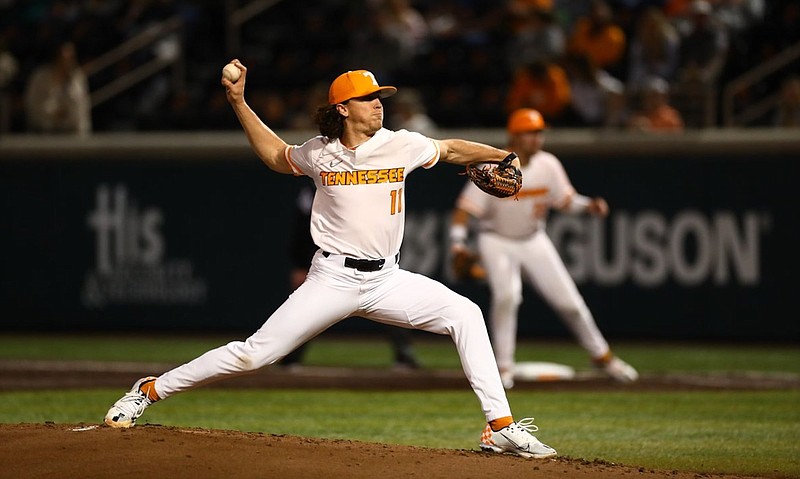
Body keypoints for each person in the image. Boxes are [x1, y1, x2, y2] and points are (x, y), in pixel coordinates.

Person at [104, 64, 558, 459]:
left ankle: (499, 428)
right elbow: (274, 156)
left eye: (380, 97)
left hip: (387, 279)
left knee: (466, 313)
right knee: (254, 354)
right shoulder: (320, 152)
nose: (379, 105)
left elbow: (453, 149)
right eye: (368, 99)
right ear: (343, 108)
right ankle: (148, 390)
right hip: (332, 278)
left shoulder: (401, 145)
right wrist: (239, 101)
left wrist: (503, 155)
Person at [450, 108, 639, 389]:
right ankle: (502, 368)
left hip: (533, 239)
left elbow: (565, 200)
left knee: (570, 303)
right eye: (531, 132)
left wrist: (588, 205)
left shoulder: (548, 164)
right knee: (507, 297)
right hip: (496, 239)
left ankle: (602, 356)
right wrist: (457, 244)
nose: (537, 138)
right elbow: (465, 210)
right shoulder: (493, 164)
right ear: (514, 135)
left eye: (539, 132)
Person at [280, 181, 420, 370]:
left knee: (393, 308)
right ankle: (290, 357)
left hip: (372, 259)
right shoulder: (315, 184)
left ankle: (404, 353)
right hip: (328, 264)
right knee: (306, 312)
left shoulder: (368, 179)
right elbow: (302, 226)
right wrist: (300, 264)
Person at [24, 40, 91, 135]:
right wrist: (54, 113)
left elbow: (82, 109)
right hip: (44, 133)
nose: (67, 59)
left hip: (71, 134)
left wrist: (84, 135)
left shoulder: (77, 78)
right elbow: (33, 105)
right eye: (63, 55)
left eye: (71, 56)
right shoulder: (40, 77)